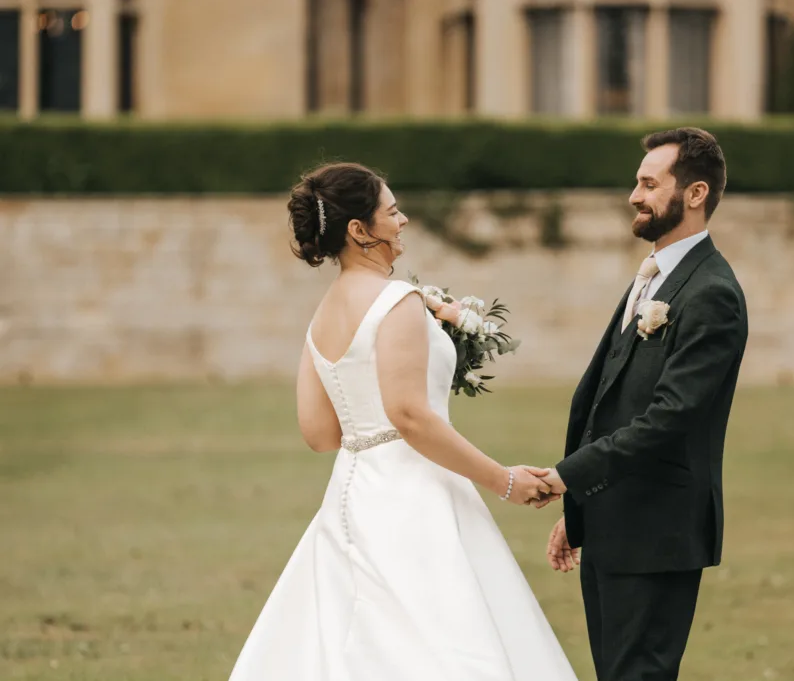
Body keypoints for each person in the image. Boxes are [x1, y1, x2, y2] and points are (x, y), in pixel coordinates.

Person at [227, 162, 577, 681]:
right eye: (392, 212)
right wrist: (505, 481)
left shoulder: (322, 316)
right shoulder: (398, 300)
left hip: (352, 494)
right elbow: (411, 416)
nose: (404, 220)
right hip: (417, 495)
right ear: (359, 231)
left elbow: (320, 434)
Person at [536, 127, 749, 681]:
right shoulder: (654, 277)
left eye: (649, 184)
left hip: (659, 531)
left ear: (695, 193)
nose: (634, 195)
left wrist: (565, 476)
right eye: (637, 182)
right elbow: (610, 398)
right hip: (612, 521)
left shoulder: (712, 293)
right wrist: (580, 508)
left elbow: (669, 416)